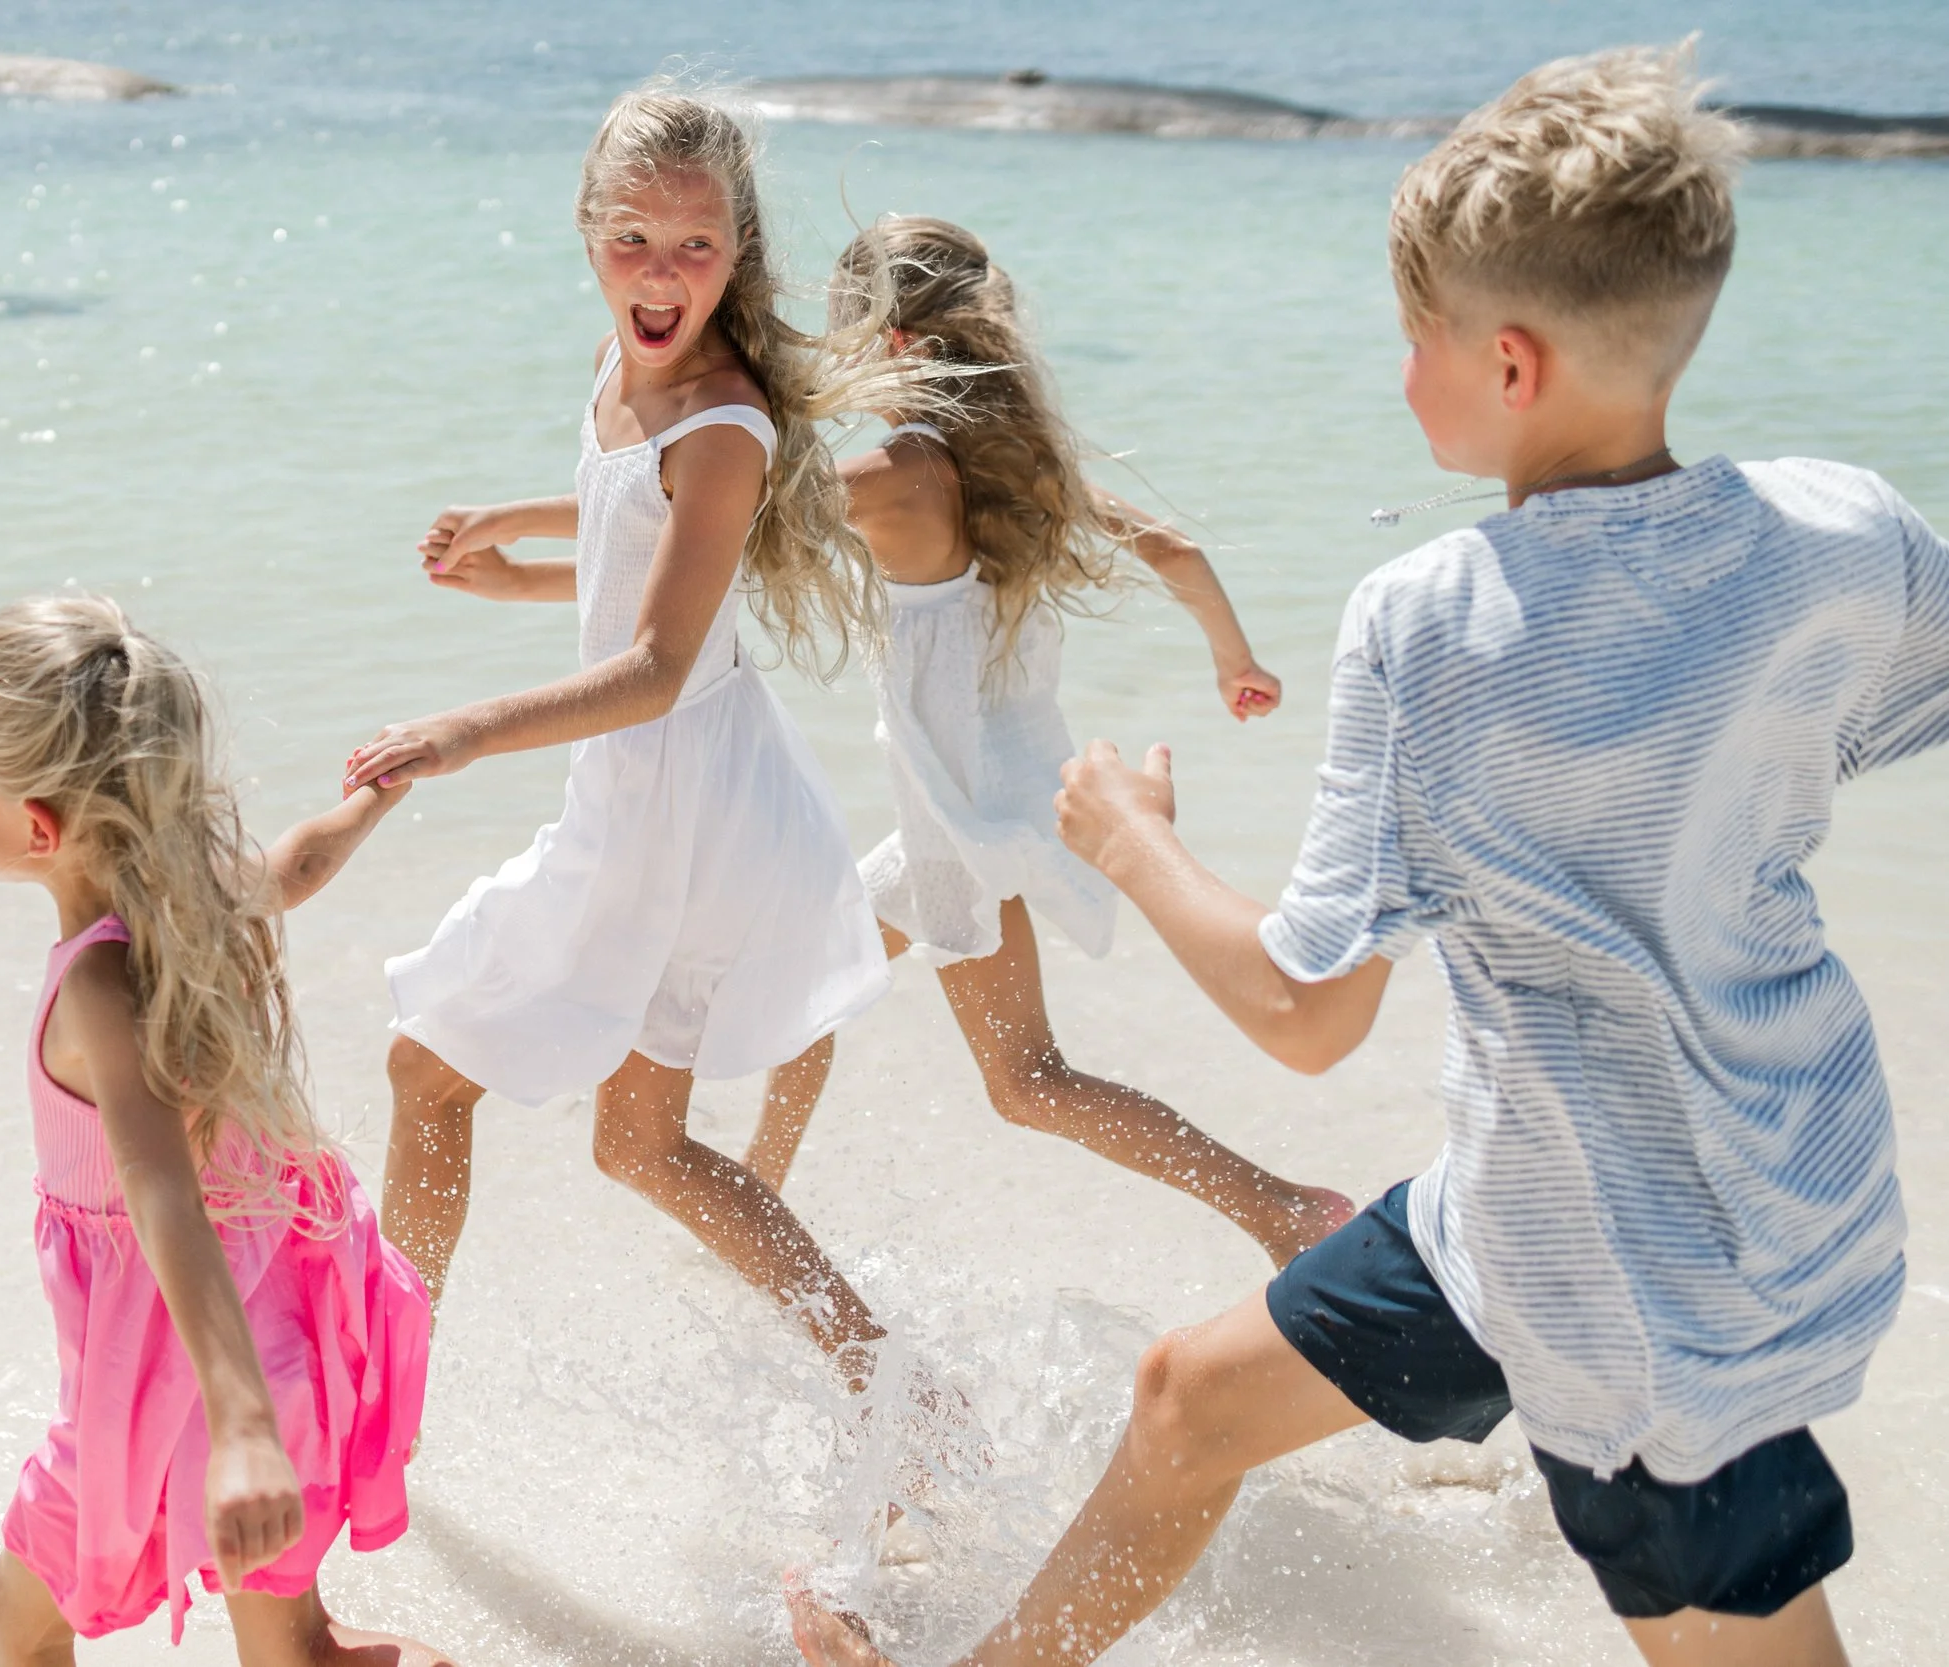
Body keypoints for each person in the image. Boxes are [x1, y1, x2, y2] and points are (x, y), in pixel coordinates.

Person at [792, 43, 1949, 1667]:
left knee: (1732, 1636)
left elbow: (1302, 1010)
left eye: (1420, 338)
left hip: (1624, 1277)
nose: (1400, 370)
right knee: (1187, 1395)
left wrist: (1127, 841)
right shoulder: (1844, 528)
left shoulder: (1438, 619)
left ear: (1513, 363)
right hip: (1742, 1192)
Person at [343, 83, 930, 1388]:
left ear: (738, 251)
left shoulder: (727, 426)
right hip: (666, 792)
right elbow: (645, 558)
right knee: (638, 1142)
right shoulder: (624, 360)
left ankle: (379, 1393)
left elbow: (659, 663)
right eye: (633, 242)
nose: (662, 276)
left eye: (696, 248)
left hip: (675, 806)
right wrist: (513, 536)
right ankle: (900, 1385)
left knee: (435, 1071)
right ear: (585, 228)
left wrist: (466, 728)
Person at [741, 216, 1351, 1269]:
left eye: (838, 338)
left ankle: (1284, 1209)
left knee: (1027, 1080)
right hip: (991, 795)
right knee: (807, 980)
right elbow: (1174, 546)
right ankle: (756, 1200)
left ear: (886, 346)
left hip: (969, 822)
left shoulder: (894, 473)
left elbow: (714, 520)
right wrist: (1232, 658)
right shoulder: (1015, 465)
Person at [0, 595, 448, 1666]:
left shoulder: (96, 977)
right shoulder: (192, 899)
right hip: (275, 1302)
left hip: (181, 1353)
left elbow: (159, 1185)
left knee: (17, 1610)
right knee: (287, 1630)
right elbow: (297, 866)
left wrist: (242, 1422)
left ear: (38, 825)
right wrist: (367, 802)